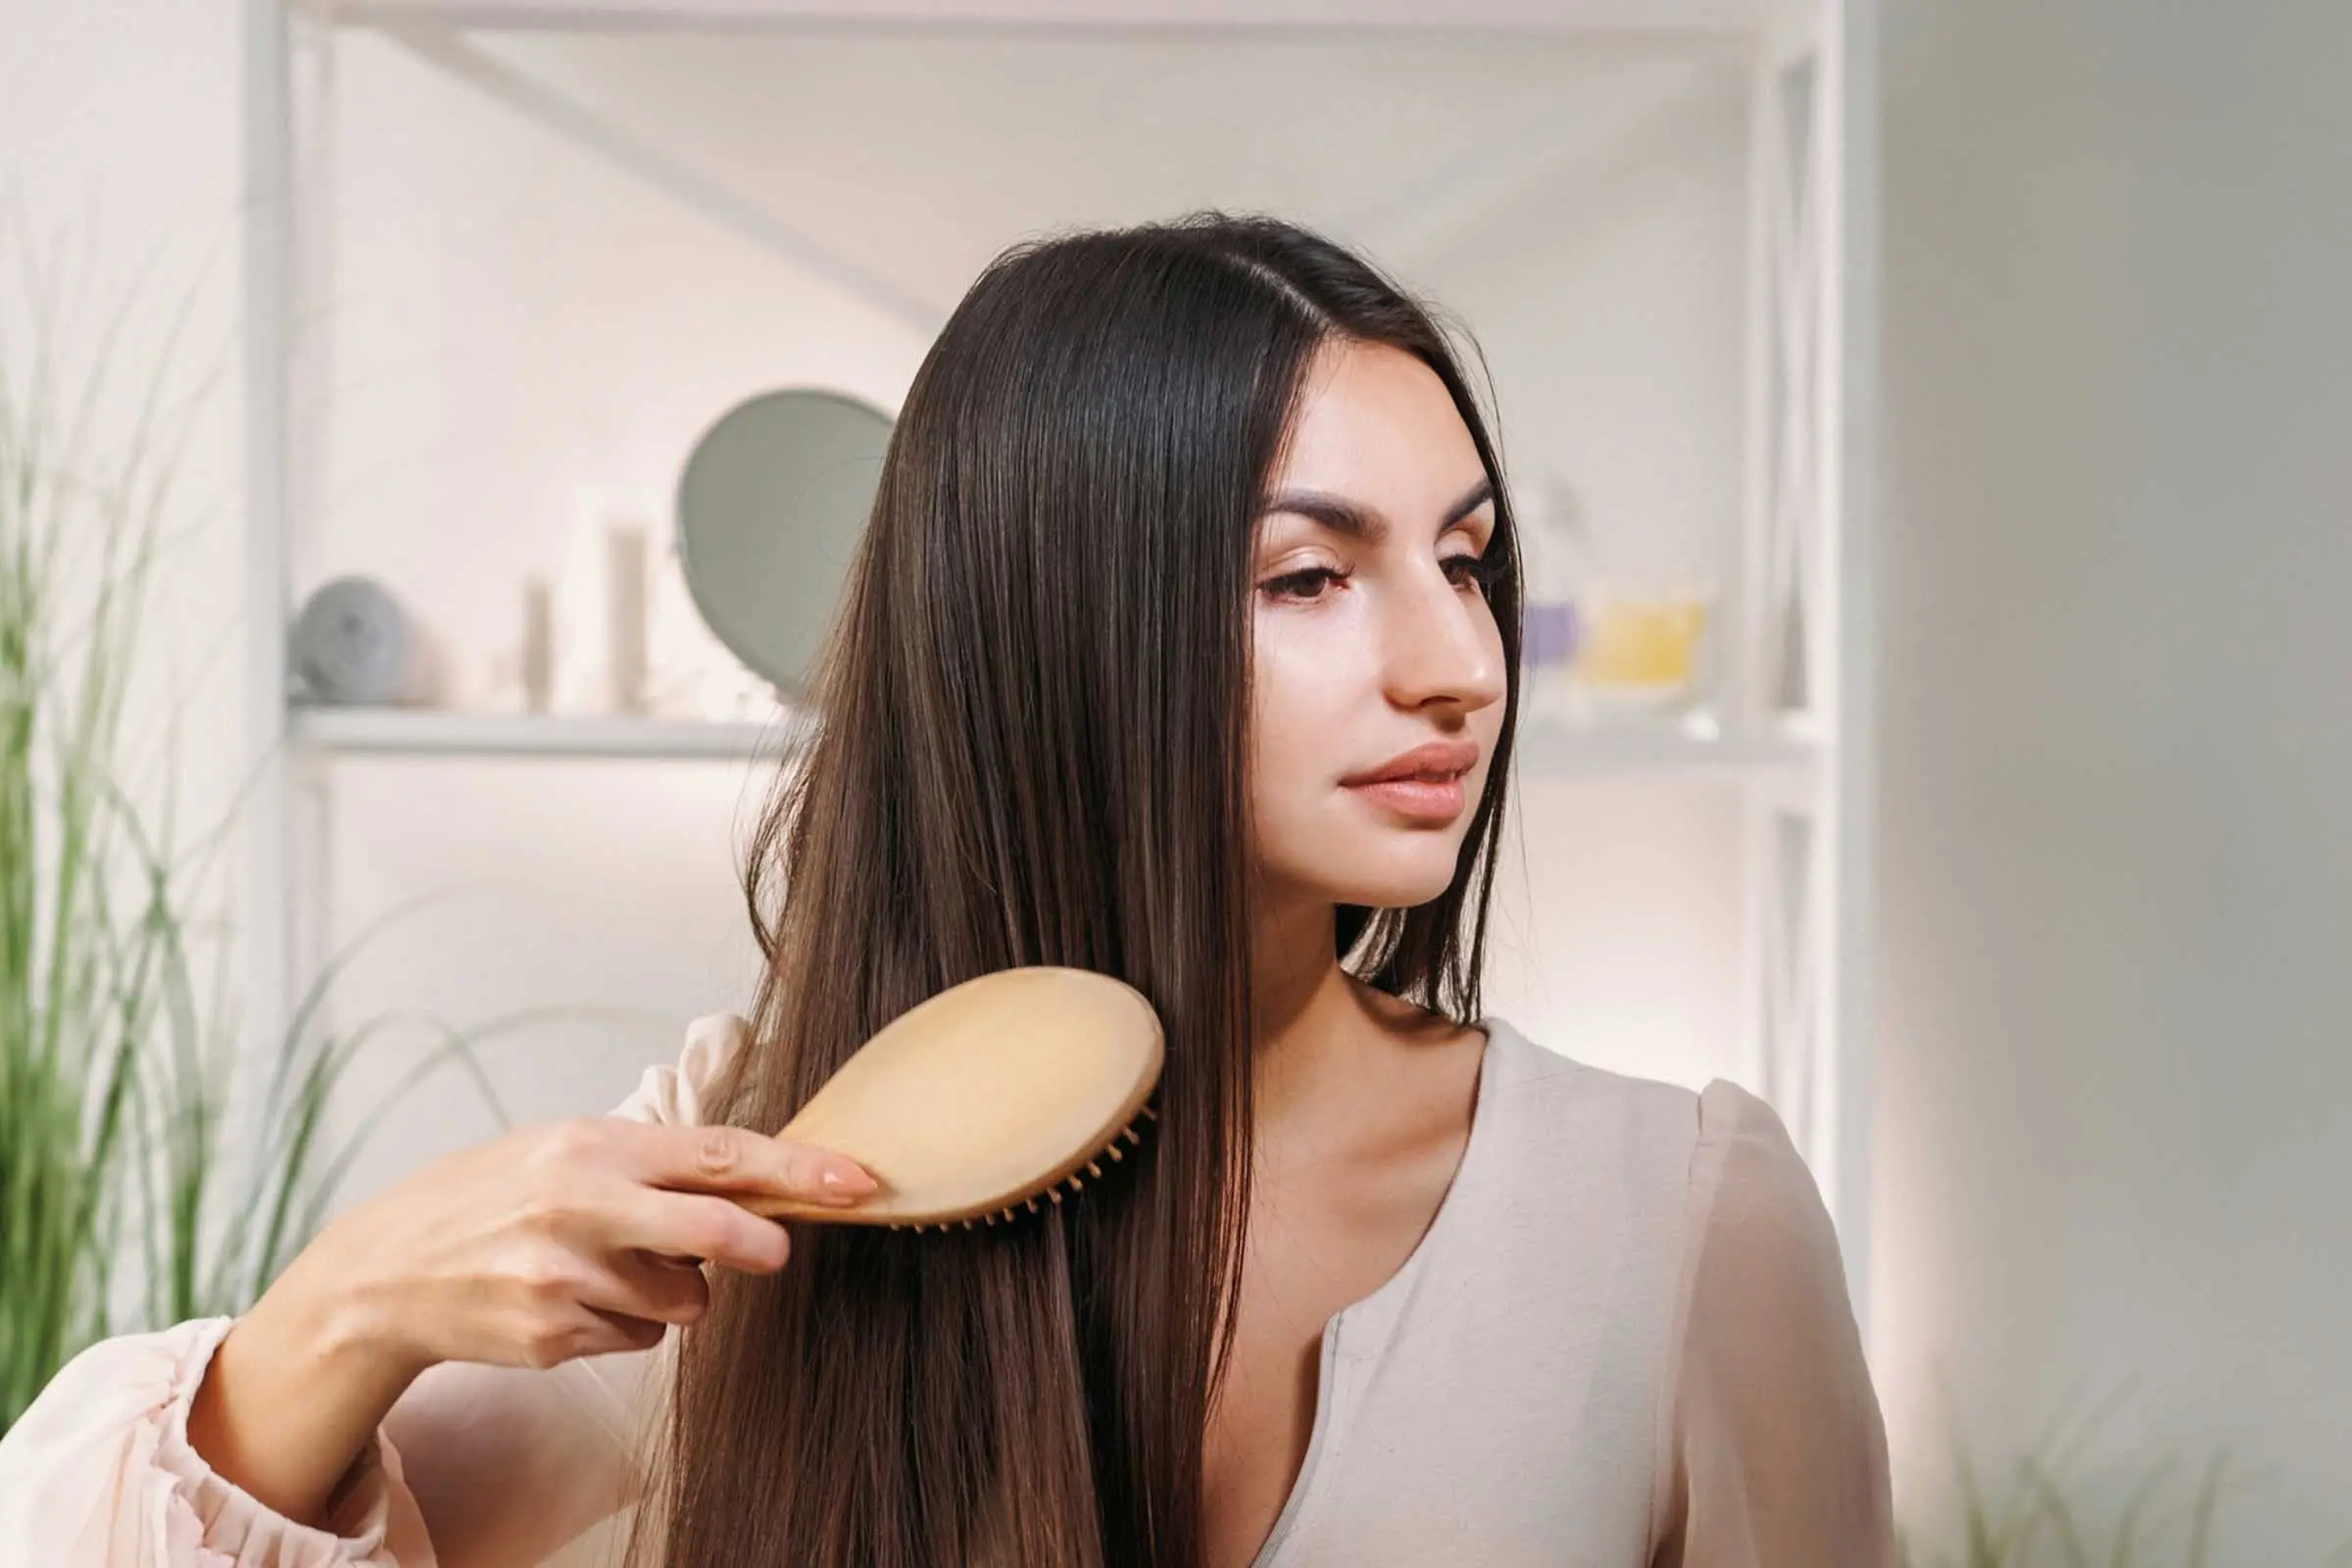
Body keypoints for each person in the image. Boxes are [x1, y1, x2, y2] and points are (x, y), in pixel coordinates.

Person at [0, 211, 1893, 1567]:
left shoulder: (1679, 1224)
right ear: (1054, 620)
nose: (1455, 664)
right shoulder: (759, 1186)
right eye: (1311, 577)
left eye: (1466, 563)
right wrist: (345, 1306)